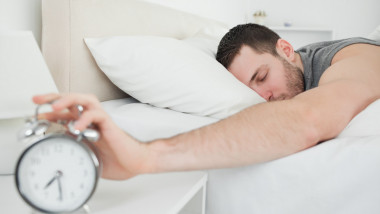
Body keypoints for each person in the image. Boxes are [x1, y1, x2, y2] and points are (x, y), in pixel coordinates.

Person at [33, 23, 380, 180]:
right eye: (250, 89)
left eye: (261, 77)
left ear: (287, 50)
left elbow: (307, 119)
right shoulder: (288, 72)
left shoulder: (350, 59)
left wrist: (146, 156)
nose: (263, 97)